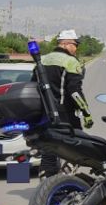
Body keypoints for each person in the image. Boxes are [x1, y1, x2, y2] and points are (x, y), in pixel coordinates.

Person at [34, 29, 94, 179]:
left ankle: (46, 182)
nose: (76, 48)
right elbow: (74, 92)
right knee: (79, 146)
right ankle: (64, 180)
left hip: (44, 112)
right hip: (64, 113)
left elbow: (33, 85)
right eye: (75, 45)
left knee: (49, 150)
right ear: (66, 44)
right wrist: (86, 113)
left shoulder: (43, 60)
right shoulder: (70, 61)